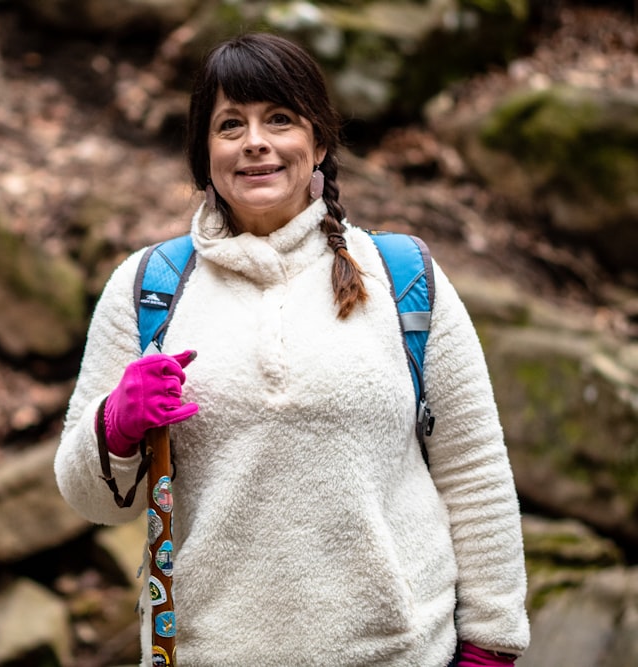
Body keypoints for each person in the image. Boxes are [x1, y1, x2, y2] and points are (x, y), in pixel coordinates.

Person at [55, 31, 530, 666]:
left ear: (320, 142)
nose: (256, 141)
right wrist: (115, 423)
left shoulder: (401, 277)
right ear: (204, 153)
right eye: (231, 124)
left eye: (279, 119)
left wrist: (492, 645)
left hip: (401, 654)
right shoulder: (150, 292)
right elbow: (88, 498)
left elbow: (474, 470)